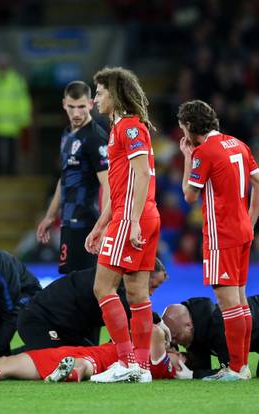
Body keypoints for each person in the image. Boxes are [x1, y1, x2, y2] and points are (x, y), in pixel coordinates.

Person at [178, 100, 259, 381]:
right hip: (242, 232)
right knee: (240, 300)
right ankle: (241, 366)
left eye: (183, 128)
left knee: (228, 302)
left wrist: (187, 158)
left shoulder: (203, 152)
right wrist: (250, 222)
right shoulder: (237, 144)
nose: (183, 134)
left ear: (191, 127)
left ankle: (237, 368)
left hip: (222, 235)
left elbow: (189, 196)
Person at [84, 67, 160, 383]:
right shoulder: (121, 128)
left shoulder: (129, 128)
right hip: (138, 214)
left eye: (99, 92)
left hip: (134, 217)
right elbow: (120, 186)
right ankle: (140, 368)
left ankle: (126, 361)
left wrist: (129, 221)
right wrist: (101, 225)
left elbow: (141, 175)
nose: (94, 99)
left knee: (102, 286)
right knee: (137, 293)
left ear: (114, 94)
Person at [0, 323, 185, 383]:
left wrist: (164, 329)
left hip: (98, 361)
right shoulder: (158, 360)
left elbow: (156, 331)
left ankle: (68, 374)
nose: (177, 354)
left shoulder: (162, 364)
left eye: (180, 354)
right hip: (76, 351)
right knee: (6, 362)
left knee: (83, 365)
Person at [36, 80, 110, 274]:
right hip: (68, 221)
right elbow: (65, 177)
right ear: (64, 105)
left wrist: (103, 226)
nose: (76, 113)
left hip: (87, 223)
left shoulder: (95, 138)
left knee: (84, 284)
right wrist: (50, 216)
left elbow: (109, 185)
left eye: (81, 107)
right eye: (71, 107)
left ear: (91, 104)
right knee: (72, 282)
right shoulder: (67, 134)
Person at [17, 258, 167, 351]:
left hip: (67, 329)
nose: (151, 293)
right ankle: (1, 363)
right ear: (143, 276)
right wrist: (159, 321)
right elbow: (131, 310)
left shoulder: (117, 284)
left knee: (91, 359)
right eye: (152, 286)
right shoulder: (110, 284)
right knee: (57, 361)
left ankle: (7, 357)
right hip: (39, 321)